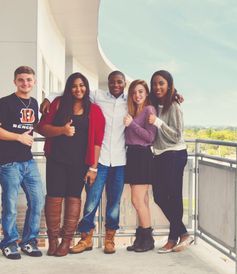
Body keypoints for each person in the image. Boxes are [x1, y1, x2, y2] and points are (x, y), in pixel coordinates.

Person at [40, 70, 127, 254]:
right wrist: (61, 130)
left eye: (81, 85)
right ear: (69, 88)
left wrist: (93, 167)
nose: (78, 89)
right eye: (74, 85)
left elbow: (97, 141)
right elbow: (42, 127)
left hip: (79, 164)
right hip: (56, 160)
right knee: (53, 198)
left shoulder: (94, 109)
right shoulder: (58, 104)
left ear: (87, 88)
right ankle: (53, 240)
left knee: (74, 198)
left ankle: (66, 241)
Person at [0, 66, 44, 259]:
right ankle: (9, 243)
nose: (25, 83)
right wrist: (18, 137)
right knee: (10, 204)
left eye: (29, 80)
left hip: (28, 160)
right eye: (21, 80)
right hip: (8, 162)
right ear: (15, 81)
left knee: (37, 200)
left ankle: (29, 241)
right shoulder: (5, 102)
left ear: (34, 82)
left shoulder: (34, 103)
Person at [147, 70, 193, 253]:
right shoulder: (152, 103)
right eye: (155, 84)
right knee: (158, 195)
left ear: (169, 85)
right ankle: (183, 233)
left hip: (174, 154)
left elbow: (176, 135)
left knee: (174, 197)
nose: (157, 87)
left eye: (162, 83)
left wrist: (157, 122)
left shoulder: (174, 105)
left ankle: (173, 238)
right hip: (158, 155)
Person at [123, 80, 156, 252]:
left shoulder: (149, 110)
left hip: (142, 156)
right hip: (133, 155)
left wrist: (131, 124)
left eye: (141, 91)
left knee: (137, 200)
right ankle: (142, 239)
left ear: (146, 93)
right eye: (134, 92)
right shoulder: (134, 110)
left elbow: (150, 137)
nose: (137, 95)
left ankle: (147, 239)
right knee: (142, 201)